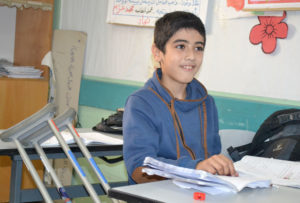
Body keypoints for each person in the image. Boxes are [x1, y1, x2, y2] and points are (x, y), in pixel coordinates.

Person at [123, 11, 238, 185]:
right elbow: (139, 169)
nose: (191, 56)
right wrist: (195, 168)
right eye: (181, 46)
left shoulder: (207, 103)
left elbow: (211, 158)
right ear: (157, 52)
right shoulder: (141, 103)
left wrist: (219, 167)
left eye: (198, 48)